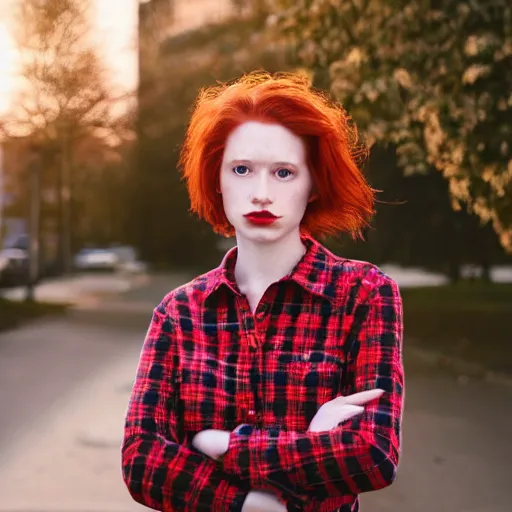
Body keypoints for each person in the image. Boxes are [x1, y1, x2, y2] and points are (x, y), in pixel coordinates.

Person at [121, 71, 404, 512]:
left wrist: (221, 444)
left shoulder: (364, 295)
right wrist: (253, 500)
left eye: (284, 173)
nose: (261, 193)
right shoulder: (179, 313)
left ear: (313, 185)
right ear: (217, 179)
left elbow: (373, 454)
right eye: (242, 169)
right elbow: (142, 460)